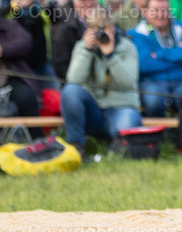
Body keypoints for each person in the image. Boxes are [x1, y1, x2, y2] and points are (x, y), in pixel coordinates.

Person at [61, 9, 142, 153]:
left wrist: (110, 56)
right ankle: (76, 146)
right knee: (70, 90)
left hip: (122, 109)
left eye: (105, 28)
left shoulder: (127, 47)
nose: (101, 32)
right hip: (94, 111)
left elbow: (128, 82)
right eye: (96, 28)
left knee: (128, 123)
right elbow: (74, 80)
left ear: (113, 26)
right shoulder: (82, 47)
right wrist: (87, 51)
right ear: (88, 29)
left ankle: (116, 149)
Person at [128, 0, 182, 116]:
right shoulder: (138, 33)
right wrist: (179, 57)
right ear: (145, 12)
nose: (161, 15)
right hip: (151, 82)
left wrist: (161, 54)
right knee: (154, 101)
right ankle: (158, 134)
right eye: (155, 10)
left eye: (164, 10)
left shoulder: (180, 28)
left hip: (181, 82)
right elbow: (145, 64)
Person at [0, 0, 40, 118]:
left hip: (12, 75)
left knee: (26, 97)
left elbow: (25, 42)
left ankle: (36, 136)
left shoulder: (9, 24)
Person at [4, 0, 53, 88]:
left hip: (43, 65)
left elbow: (56, 19)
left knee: (54, 98)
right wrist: (17, 4)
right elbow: (1, 18)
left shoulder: (40, 9)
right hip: (18, 68)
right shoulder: (8, 10)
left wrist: (43, 2)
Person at [50, 0, 101, 83]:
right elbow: (61, 69)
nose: (88, 3)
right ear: (74, 1)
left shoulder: (107, 20)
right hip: (77, 82)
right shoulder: (63, 26)